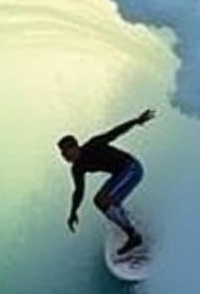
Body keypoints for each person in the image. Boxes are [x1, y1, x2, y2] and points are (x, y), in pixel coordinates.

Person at [58, 109, 155, 256]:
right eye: (62, 154)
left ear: (75, 147)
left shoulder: (93, 144)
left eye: (66, 152)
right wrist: (73, 212)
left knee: (102, 200)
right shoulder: (77, 168)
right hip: (120, 175)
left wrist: (136, 121)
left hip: (132, 168)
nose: (65, 157)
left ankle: (133, 236)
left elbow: (114, 132)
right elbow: (79, 190)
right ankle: (128, 220)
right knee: (102, 202)